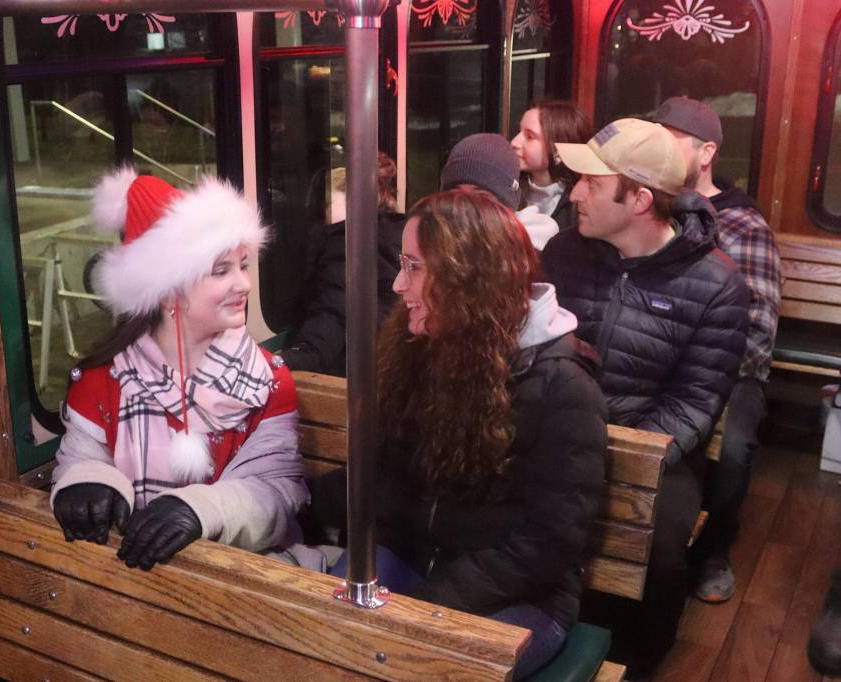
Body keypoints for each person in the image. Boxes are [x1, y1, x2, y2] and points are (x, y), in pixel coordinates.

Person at [309, 187, 609, 679]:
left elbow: (547, 544)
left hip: (520, 594)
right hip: (416, 556)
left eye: (414, 267)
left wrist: (432, 607)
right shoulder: (423, 348)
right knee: (328, 641)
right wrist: (297, 502)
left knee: (418, 667)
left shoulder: (561, 385)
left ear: (466, 278)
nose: (397, 286)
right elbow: (389, 471)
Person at [541, 118, 750, 677]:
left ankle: (639, 658)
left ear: (638, 199)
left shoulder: (717, 285)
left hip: (648, 447)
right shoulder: (563, 253)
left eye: (590, 181)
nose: (575, 192)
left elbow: (694, 403)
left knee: (656, 548)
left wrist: (622, 453)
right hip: (558, 428)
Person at [50, 168, 321, 572]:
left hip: (242, 574)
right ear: (168, 291)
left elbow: (275, 492)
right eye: (221, 270)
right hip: (134, 575)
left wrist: (201, 510)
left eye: (243, 265)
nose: (244, 284)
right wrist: (87, 481)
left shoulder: (266, 383)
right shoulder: (102, 380)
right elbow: (81, 457)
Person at [654, 96, 782, 604]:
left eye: (671, 140)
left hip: (727, 370)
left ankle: (714, 547)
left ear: (706, 152)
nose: (659, 150)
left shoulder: (743, 228)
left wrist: (697, 371)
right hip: (661, 356)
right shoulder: (651, 207)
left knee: (731, 443)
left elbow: (757, 331)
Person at [282, 152, 405, 376]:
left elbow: (333, 313)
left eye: (328, 204)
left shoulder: (346, 246)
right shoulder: (396, 239)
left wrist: (289, 358)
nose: (323, 216)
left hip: (351, 377)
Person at [439, 132, 560, 250]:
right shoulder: (431, 241)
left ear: (508, 204)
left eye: (481, 196)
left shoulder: (532, 249)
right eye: (455, 194)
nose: (465, 205)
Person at [511, 100, 593, 232]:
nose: (514, 142)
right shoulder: (508, 188)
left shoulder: (578, 204)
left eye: (530, 136)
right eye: (519, 132)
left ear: (558, 149)